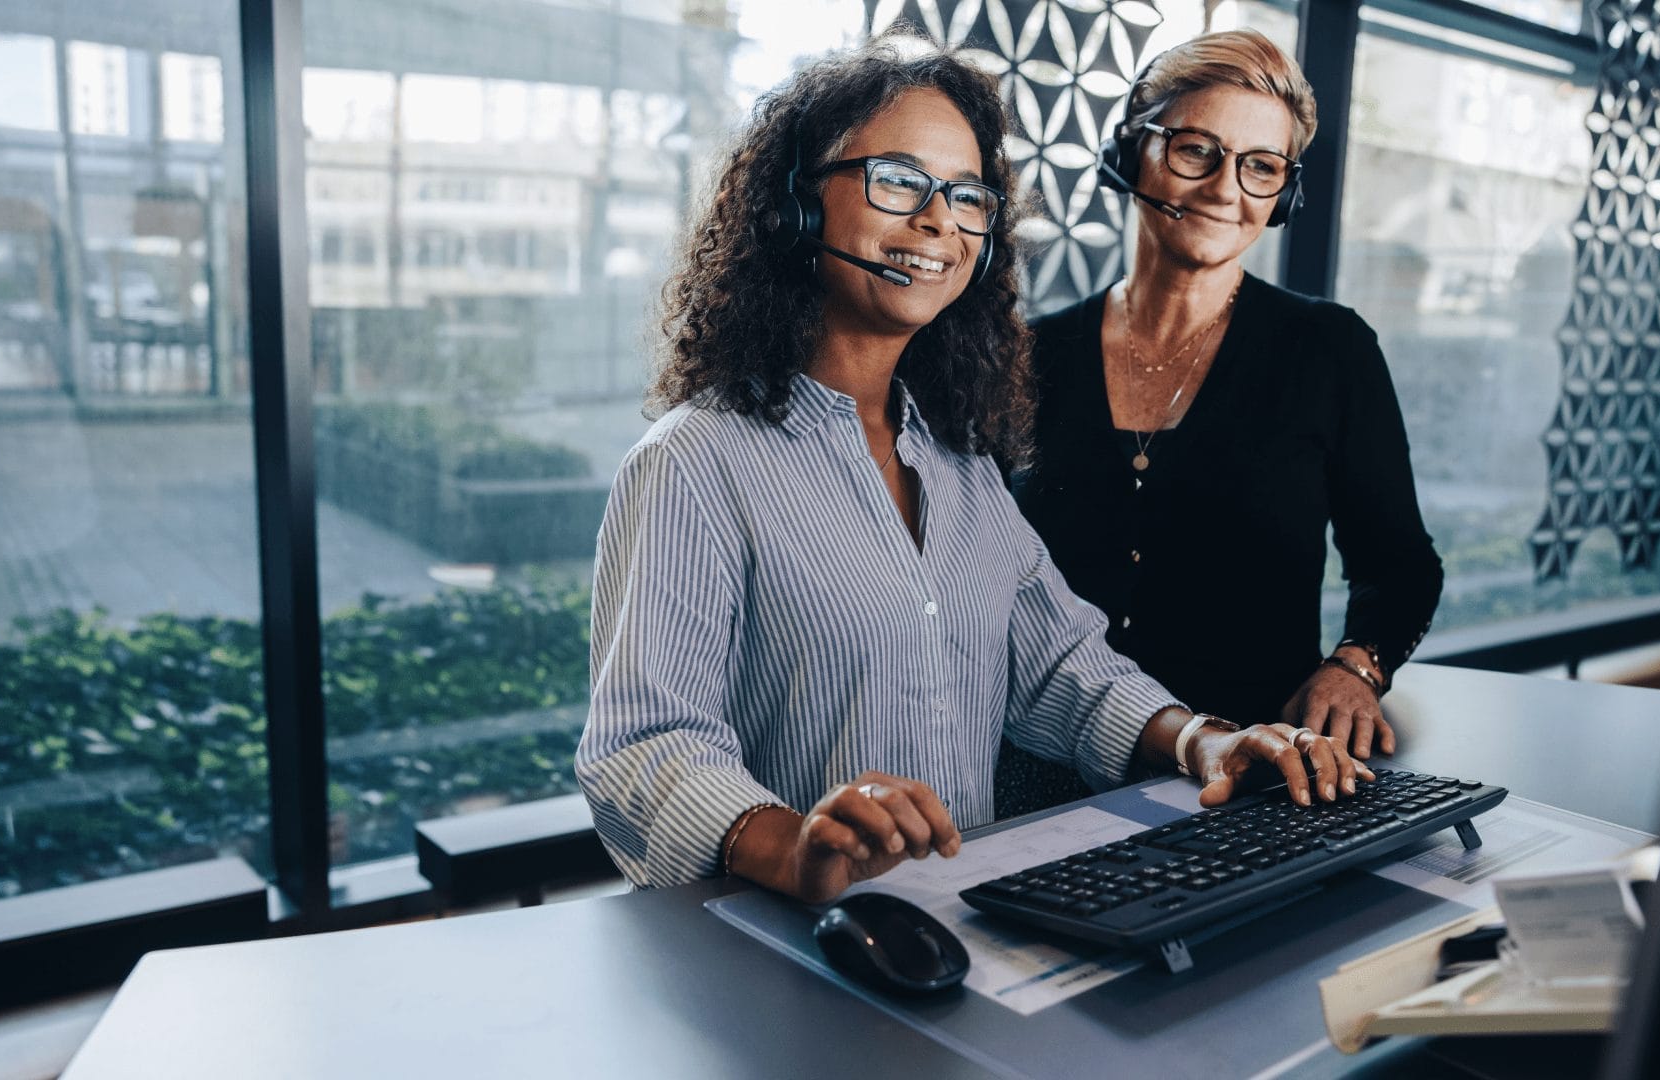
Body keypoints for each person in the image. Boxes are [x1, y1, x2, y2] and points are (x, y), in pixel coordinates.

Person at [575, 41, 1373, 905]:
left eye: (965, 197)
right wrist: (793, 847)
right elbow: (645, 744)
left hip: (964, 927)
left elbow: (1061, 666)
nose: (937, 223)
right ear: (800, 203)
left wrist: (1204, 742)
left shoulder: (956, 461)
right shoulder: (694, 463)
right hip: (784, 949)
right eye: (897, 180)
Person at [1013, 30, 1443, 789]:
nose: (1224, 189)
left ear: (1285, 193)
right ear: (1130, 153)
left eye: (1261, 167)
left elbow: (1401, 569)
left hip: (1258, 768)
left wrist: (1355, 667)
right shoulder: (1028, 356)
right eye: (1195, 150)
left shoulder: (1329, 350)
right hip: (1045, 769)